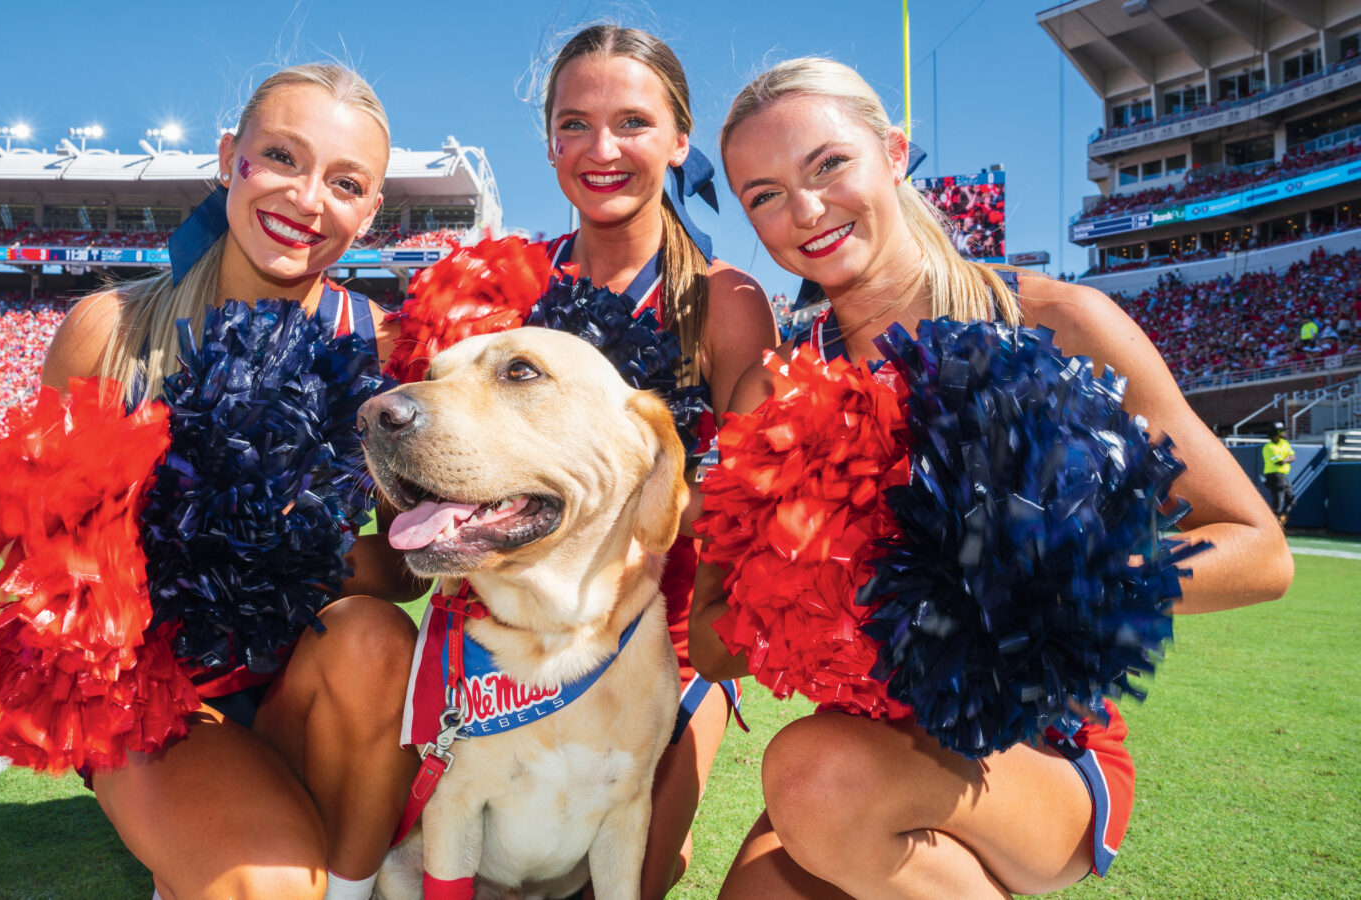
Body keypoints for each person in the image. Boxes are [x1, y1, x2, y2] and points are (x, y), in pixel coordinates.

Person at [696, 57, 1293, 899]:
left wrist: (1051, 587)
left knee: (809, 774)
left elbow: (1261, 552)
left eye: (828, 164)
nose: (804, 209)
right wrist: (833, 603)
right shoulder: (772, 388)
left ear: (894, 152)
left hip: (1041, 752)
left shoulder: (1055, 320)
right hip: (870, 753)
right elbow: (714, 637)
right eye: (762, 193)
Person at [38, 64, 421, 900]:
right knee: (266, 886)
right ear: (228, 158)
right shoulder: (107, 332)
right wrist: (180, 557)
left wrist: (289, 562)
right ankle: (205, 834)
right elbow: (45, 578)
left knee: (377, 639)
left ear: (370, 212)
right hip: (156, 697)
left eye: (344, 182)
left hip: (311, 677)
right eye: (282, 157)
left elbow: (403, 567)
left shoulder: (387, 348)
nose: (307, 199)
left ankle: (351, 888)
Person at [539, 25, 780, 899]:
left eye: (633, 122)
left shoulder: (727, 302)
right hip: (522, 636)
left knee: (621, 878)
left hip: (667, 644)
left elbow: (747, 518)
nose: (601, 150)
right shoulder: (508, 286)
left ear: (681, 139)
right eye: (575, 124)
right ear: (550, 138)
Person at [1262, 421, 1297, 527]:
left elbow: (1293, 457)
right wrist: (1287, 458)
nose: (1284, 432)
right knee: (1278, 502)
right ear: (1275, 433)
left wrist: (1286, 459)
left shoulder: (1285, 443)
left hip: (1283, 476)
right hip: (1274, 476)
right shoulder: (1268, 447)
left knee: (1292, 500)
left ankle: (1281, 520)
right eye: (1282, 431)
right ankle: (1272, 526)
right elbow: (1279, 462)